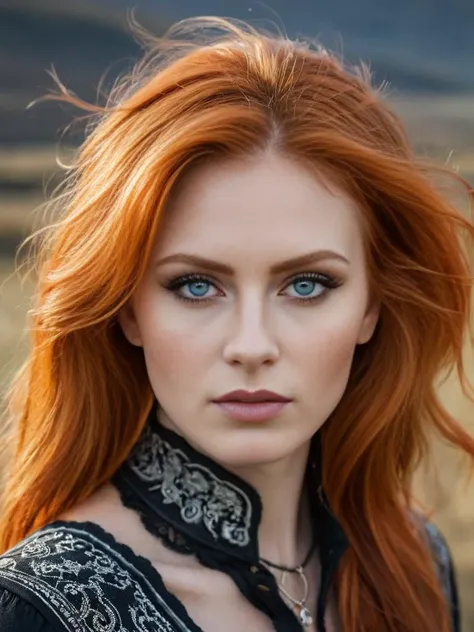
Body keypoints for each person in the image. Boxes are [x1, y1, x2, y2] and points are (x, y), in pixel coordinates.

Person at [0, 15, 472, 632]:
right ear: (128, 309)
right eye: (195, 286)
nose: (252, 346)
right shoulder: (43, 609)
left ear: (371, 307)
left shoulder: (414, 562)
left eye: (307, 285)